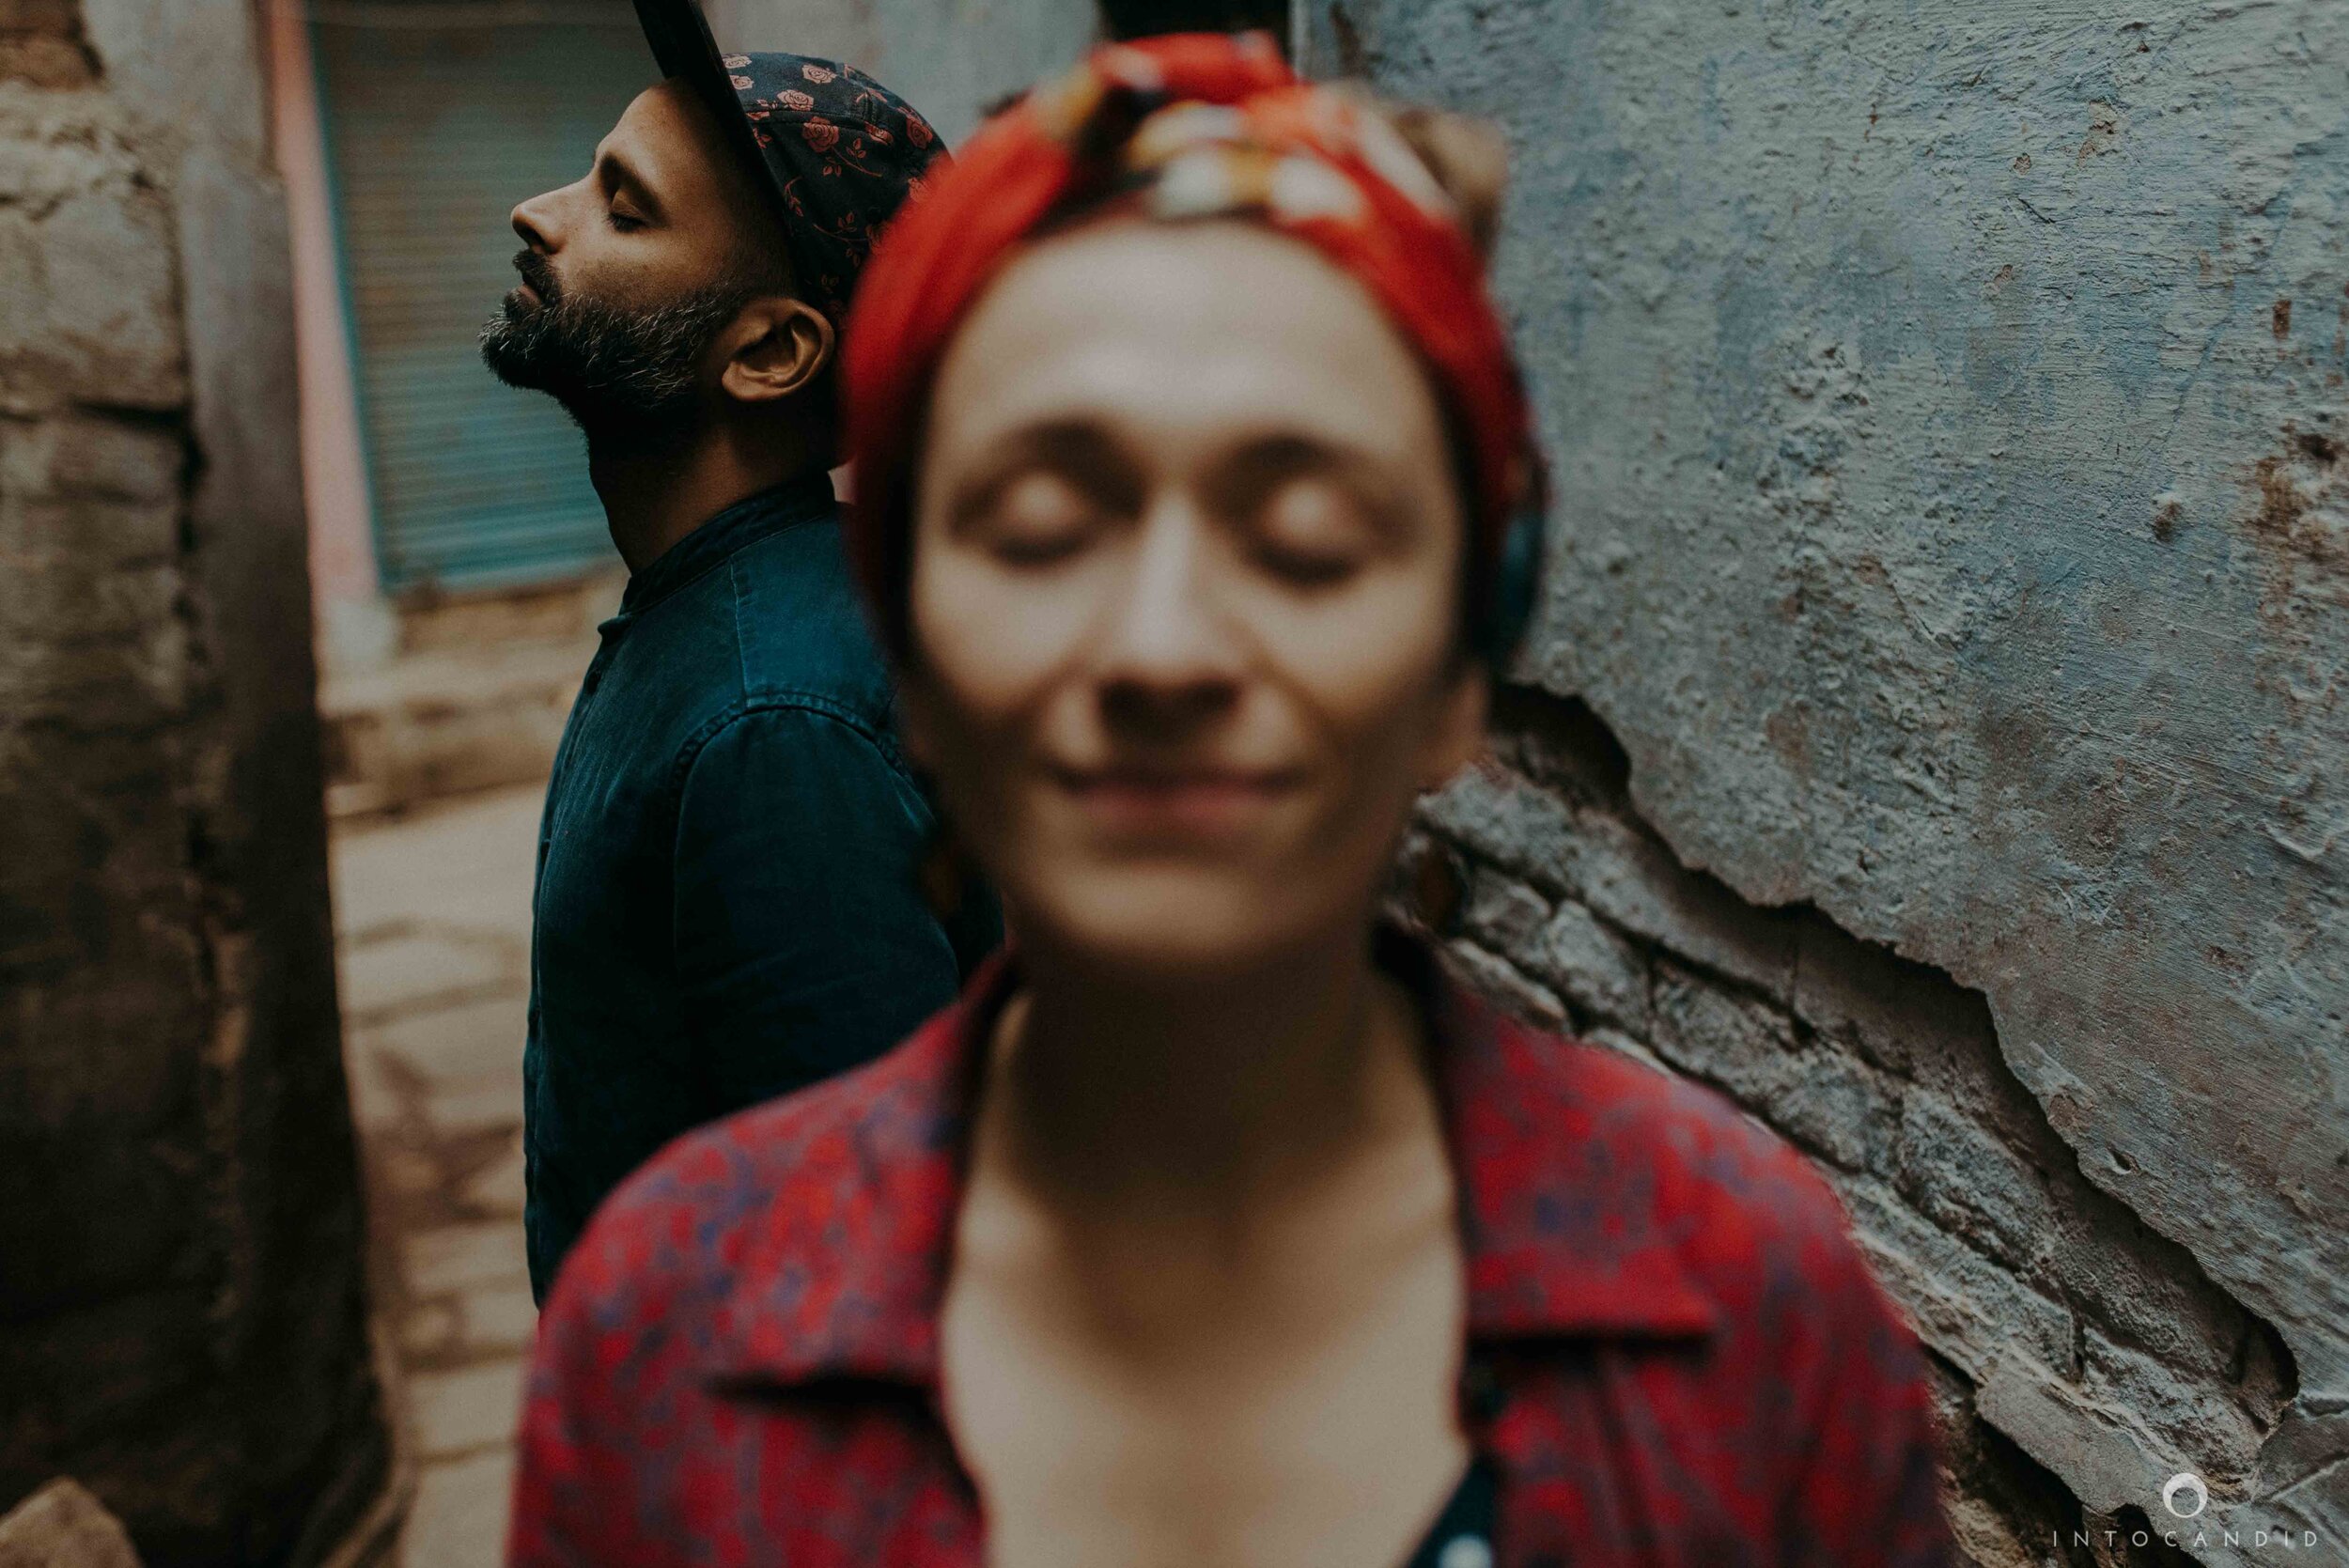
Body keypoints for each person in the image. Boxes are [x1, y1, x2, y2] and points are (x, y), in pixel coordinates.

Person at [507, 33, 1952, 1567]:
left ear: (1462, 672)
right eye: (1046, 523)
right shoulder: (655, 1363)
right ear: (915, 648)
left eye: (1308, 536)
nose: (1163, 646)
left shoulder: (1752, 1333)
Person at [478, 24, 995, 1302]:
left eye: (624, 208)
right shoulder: (715, 626)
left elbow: (863, 1273)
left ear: (768, 353)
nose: (536, 216)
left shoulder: (775, 722)